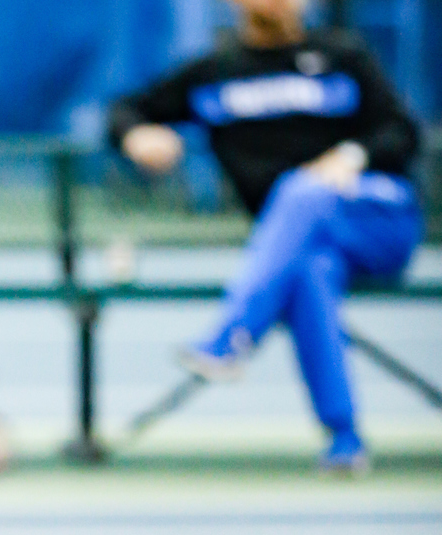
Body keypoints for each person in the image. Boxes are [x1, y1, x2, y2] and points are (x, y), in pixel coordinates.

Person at [109, 0, 422, 474]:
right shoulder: (213, 73)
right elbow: (126, 109)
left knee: (302, 190)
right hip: (304, 245)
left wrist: (351, 157)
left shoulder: (342, 55)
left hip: (379, 219)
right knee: (307, 271)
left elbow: (403, 131)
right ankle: (344, 436)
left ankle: (230, 335)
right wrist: (137, 136)